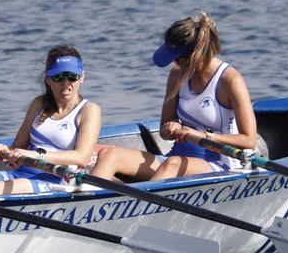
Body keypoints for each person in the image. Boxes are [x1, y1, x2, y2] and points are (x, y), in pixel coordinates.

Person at [90, 12, 259, 182]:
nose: (174, 64)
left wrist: (202, 136)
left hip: (220, 162)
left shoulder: (230, 80)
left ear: (195, 54)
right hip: (174, 159)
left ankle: (141, 207)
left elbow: (248, 140)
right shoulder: (177, 74)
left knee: (172, 164)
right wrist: (170, 128)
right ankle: (88, 206)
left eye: (177, 60)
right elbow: (164, 130)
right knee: (109, 154)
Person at [0, 46, 103, 195]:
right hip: (21, 173)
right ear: (48, 79)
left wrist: (36, 155)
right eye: (58, 77)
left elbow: (82, 158)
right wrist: (6, 152)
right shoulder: (38, 104)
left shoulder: (89, 110)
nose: (65, 83)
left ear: (82, 77)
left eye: (72, 76)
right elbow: (17, 147)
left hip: (57, 180)